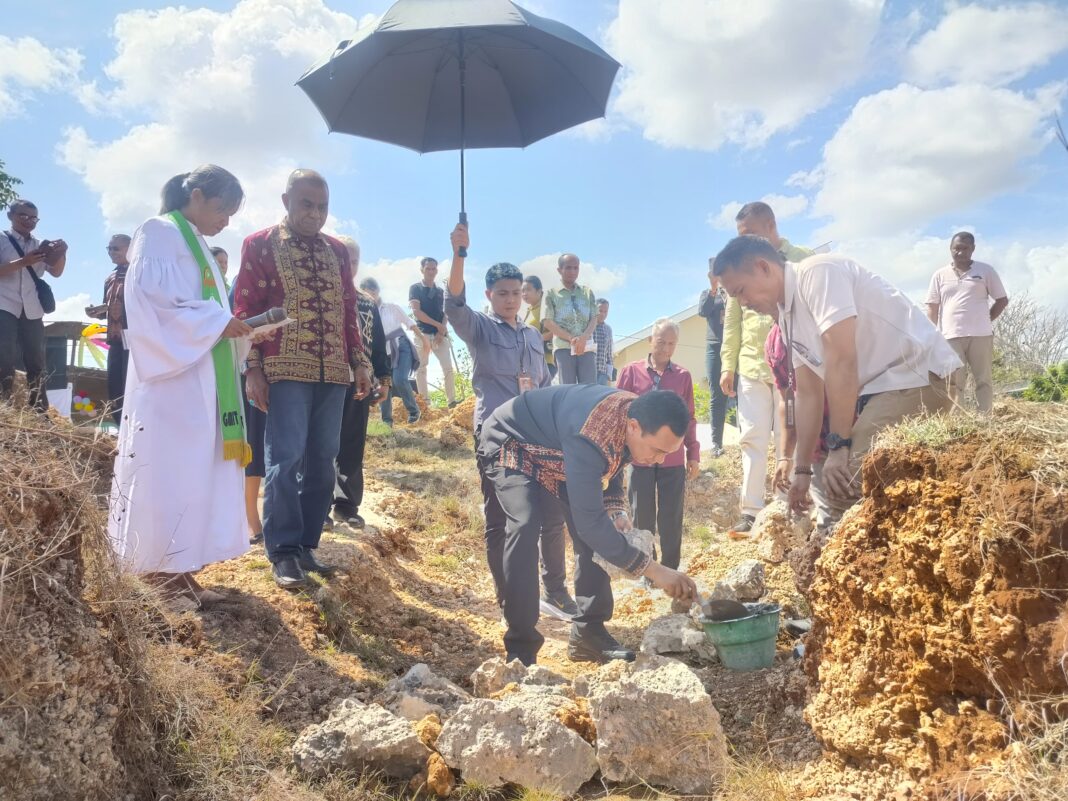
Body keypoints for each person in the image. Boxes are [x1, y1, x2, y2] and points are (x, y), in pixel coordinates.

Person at [712, 236, 960, 525]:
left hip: (918, 375)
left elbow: (842, 361)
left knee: (852, 476)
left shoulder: (818, 273)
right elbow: (808, 394)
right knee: (839, 486)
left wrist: (839, 446)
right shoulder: (787, 318)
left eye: (741, 291)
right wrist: (802, 470)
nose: (744, 304)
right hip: (883, 388)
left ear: (763, 267)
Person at [108, 165, 252, 606]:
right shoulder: (158, 231)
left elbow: (200, 306)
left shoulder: (198, 243)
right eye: (222, 209)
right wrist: (216, 322)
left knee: (195, 470)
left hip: (201, 373)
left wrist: (233, 328)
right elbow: (152, 302)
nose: (225, 221)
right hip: (170, 377)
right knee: (168, 469)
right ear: (196, 194)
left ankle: (183, 570)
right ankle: (155, 573)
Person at [478, 384, 699, 666]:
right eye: (656, 450)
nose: (658, 461)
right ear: (634, 427)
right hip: (512, 441)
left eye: (666, 454)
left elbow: (614, 461)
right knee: (525, 523)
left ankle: (588, 634)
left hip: (559, 448)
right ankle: (520, 650)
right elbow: (590, 523)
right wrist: (653, 569)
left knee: (600, 530)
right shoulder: (592, 434)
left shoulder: (634, 414)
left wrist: (616, 510)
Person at [233, 169, 371, 590]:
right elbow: (246, 308)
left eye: (322, 206)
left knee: (323, 461)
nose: (315, 214)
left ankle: (308, 546)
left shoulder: (335, 251)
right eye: (306, 204)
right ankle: (283, 552)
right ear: (286, 201)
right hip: (284, 369)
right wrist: (253, 367)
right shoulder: (260, 244)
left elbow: (349, 309)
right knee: (285, 460)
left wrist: (359, 361)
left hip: (334, 373)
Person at [445, 224, 578, 621]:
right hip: (496, 436)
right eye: (502, 293)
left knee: (552, 516)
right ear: (489, 295)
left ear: (524, 294)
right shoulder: (481, 328)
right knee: (501, 519)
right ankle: (508, 598)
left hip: (536, 435)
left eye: (516, 292)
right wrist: (459, 254)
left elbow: (542, 385)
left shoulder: (534, 337)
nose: (510, 299)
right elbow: (453, 304)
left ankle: (555, 590)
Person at [720, 201, 813, 534]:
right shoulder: (737, 269)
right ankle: (751, 508)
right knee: (751, 437)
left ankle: (782, 504)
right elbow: (732, 322)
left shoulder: (804, 259)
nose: (742, 242)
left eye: (749, 234)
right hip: (751, 363)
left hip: (795, 365)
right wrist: (726, 366)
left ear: (771, 226)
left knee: (786, 433)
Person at [616, 318, 700, 571]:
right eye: (661, 342)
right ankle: (647, 568)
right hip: (639, 458)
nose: (665, 348)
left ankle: (671, 568)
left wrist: (693, 453)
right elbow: (619, 412)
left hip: (671, 459)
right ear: (650, 340)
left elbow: (689, 418)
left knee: (671, 517)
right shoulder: (631, 372)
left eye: (671, 344)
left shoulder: (683, 376)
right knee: (642, 515)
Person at [331, 236, 391, 529]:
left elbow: (378, 346)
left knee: (352, 443)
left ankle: (346, 505)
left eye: (353, 260)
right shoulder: (320, 299)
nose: (348, 265)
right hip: (324, 380)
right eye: (342, 258)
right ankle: (316, 507)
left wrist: (386, 380)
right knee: (319, 443)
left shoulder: (367, 303)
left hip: (359, 383)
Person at [926, 232, 1008, 413]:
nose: (960, 252)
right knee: (954, 382)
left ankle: (985, 418)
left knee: (983, 379)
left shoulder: (986, 271)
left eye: (965, 248)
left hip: (981, 335)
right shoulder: (939, 275)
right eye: (956, 248)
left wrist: (986, 319)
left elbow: (1002, 300)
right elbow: (932, 306)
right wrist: (931, 334)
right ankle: (958, 421)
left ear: (973, 249)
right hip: (950, 336)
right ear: (950, 249)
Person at [0, 199, 67, 411]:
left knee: (36, 360)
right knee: (4, 356)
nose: (29, 221)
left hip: (32, 308)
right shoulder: (2, 239)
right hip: (4, 304)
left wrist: (61, 253)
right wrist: (23, 262)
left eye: (33, 217)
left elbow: (56, 272)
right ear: (11, 216)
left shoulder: (40, 245)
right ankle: (5, 405)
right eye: (24, 216)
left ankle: (39, 407)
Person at [362, 277, 422, 426]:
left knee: (400, 379)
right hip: (381, 352)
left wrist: (424, 341)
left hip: (400, 346)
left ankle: (414, 410)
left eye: (369, 293)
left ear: (376, 292)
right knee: (383, 384)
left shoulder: (391, 308)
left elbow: (410, 323)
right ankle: (387, 421)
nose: (367, 297)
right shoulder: (365, 314)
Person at [88, 234, 131, 426]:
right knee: (114, 387)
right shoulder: (110, 277)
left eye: (116, 248)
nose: (111, 253)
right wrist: (97, 312)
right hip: (115, 339)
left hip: (135, 340)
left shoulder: (139, 273)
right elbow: (109, 307)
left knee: (130, 386)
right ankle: (120, 429)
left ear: (130, 249)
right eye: (109, 248)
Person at [542, 253, 598, 384]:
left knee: (589, 388)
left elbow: (594, 318)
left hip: (586, 347)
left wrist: (584, 337)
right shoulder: (551, 294)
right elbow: (547, 322)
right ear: (559, 270)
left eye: (576, 268)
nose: (572, 271)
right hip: (563, 348)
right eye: (568, 268)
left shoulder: (587, 292)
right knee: (568, 389)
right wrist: (571, 338)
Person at [410, 257, 457, 407]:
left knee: (448, 368)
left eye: (433, 269)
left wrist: (441, 331)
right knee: (421, 369)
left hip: (440, 336)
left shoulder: (441, 291)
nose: (431, 271)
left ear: (436, 270)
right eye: (428, 268)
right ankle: (425, 405)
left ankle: (452, 402)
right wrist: (438, 325)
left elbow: (446, 313)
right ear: (422, 270)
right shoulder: (415, 288)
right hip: (422, 334)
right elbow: (416, 312)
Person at [698, 262, 728, 457]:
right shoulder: (708, 293)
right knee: (717, 394)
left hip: (734, 346)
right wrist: (713, 288)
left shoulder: (734, 291)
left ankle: (746, 439)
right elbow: (703, 311)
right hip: (714, 347)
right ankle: (717, 444)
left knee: (742, 392)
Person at [521, 275, 556, 381]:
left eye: (528, 290)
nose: (524, 294)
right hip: (530, 361)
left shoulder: (546, 309)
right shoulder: (529, 311)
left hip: (546, 361)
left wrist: (536, 338)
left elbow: (556, 331)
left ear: (539, 291)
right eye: (522, 291)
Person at [593, 298, 615, 386]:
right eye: (600, 310)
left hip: (602, 374)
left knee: (601, 399)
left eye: (605, 311)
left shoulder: (608, 329)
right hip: (587, 373)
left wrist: (609, 376)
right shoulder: (587, 327)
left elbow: (609, 355)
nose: (602, 314)